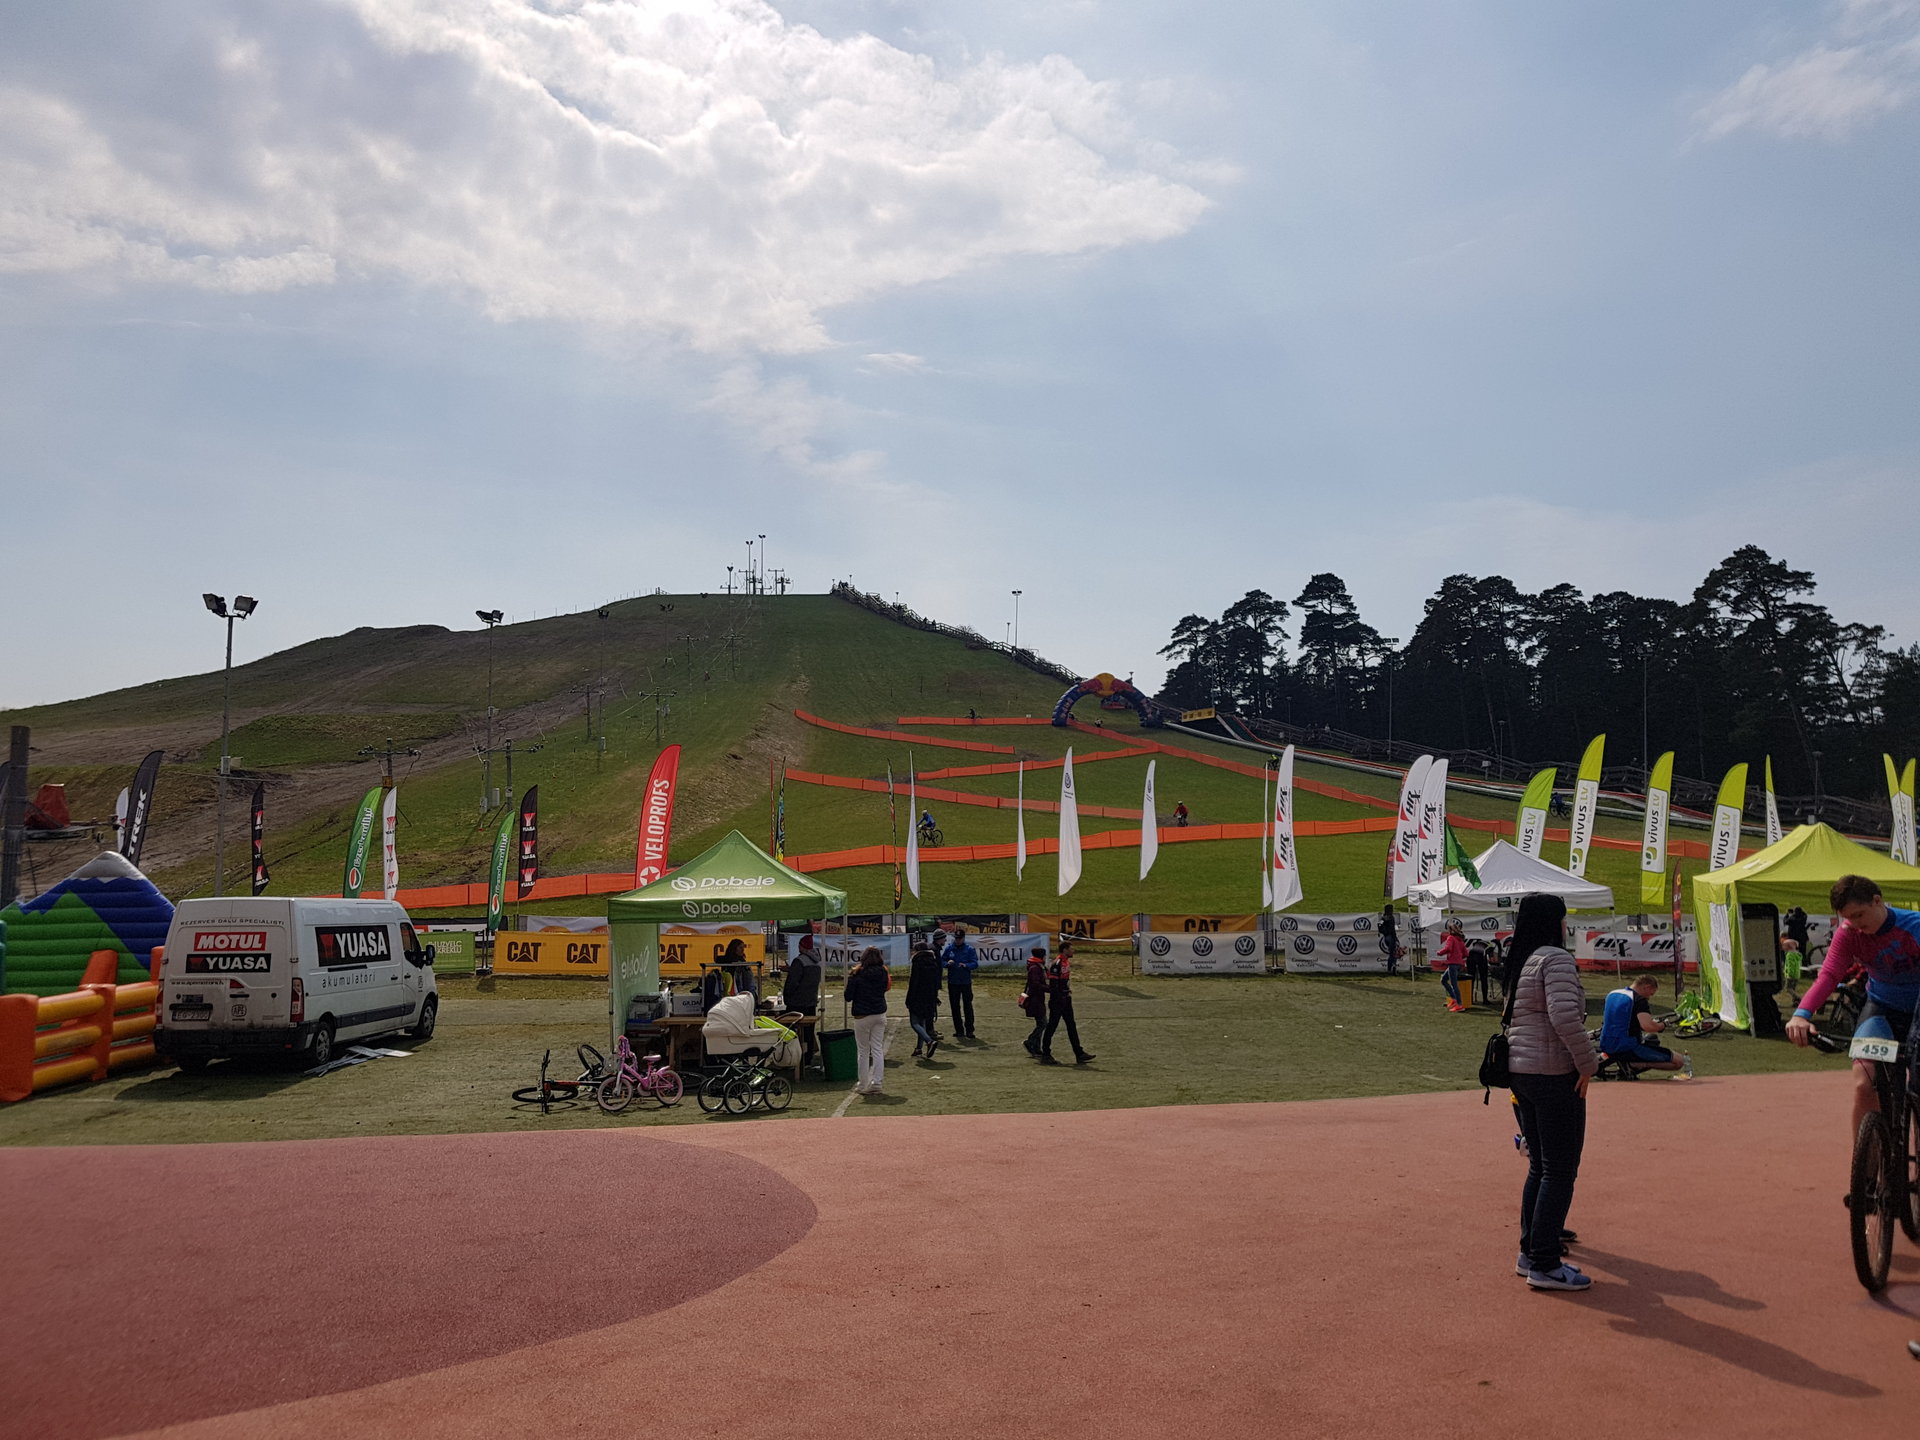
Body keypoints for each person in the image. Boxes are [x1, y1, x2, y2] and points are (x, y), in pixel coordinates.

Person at [1504, 892, 1599, 1290]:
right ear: (1554, 922)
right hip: (1552, 1073)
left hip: (1522, 1072)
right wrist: (1588, 1063)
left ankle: (1532, 1252)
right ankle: (1544, 1262)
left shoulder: (1522, 959)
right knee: (1560, 1170)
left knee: (1541, 1167)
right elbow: (1564, 1017)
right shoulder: (1555, 958)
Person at [1786, 873, 1920, 1145]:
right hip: (1882, 1008)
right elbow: (1829, 975)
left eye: (1859, 915)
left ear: (1877, 901)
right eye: (1848, 918)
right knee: (1863, 1083)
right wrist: (1801, 1014)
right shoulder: (1849, 933)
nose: (1856, 924)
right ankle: (1866, 1169)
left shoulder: (1913, 926)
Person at [1597, 974, 1689, 1075]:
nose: (1649, 997)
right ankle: (1636, 1064)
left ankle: (1626, 1062)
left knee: (1649, 1039)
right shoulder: (1639, 1000)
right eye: (1650, 994)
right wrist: (1663, 1025)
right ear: (1646, 987)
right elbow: (1648, 1026)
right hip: (1627, 1047)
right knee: (1678, 1061)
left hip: (1606, 1043)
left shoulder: (1612, 994)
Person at [845, 946, 892, 1094]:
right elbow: (886, 988)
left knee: (863, 1051)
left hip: (862, 1015)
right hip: (879, 1012)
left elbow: (848, 996)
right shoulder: (883, 972)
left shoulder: (857, 974)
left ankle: (862, 1083)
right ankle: (877, 1082)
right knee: (877, 1049)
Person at [1040, 941, 1095, 1065]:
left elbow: (1064, 981)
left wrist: (1067, 991)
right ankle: (1046, 1054)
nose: (1073, 951)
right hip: (1058, 1001)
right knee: (1052, 1026)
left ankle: (1079, 1053)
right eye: (1071, 949)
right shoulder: (1057, 963)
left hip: (1065, 999)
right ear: (1065, 950)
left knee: (1071, 1025)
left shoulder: (1065, 962)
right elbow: (1053, 984)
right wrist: (1059, 996)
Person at [783, 933, 823, 1066]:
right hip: (810, 1002)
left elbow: (793, 983)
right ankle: (808, 1057)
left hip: (796, 1004)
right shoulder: (816, 962)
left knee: (793, 1032)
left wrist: (787, 996)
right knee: (808, 1032)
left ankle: (793, 1057)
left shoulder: (799, 961)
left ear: (802, 946)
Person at [905, 934, 942, 1059]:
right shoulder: (933, 962)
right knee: (922, 1023)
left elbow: (914, 982)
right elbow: (935, 982)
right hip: (930, 997)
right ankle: (918, 1048)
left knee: (914, 1023)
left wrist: (909, 999)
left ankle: (929, 1041)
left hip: (918, 996)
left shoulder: (917, 962)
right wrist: (935, 997)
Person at [945, 925, 979, 1039]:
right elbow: (942, 960)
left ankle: (969, 1030)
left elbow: (975, 963)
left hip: (965, 982)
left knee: (967, 1006)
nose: (958, 940)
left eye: (959, 938)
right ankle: (959, 1030)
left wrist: (966, 965)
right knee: (955, 1007)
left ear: (963, 938)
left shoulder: (969, 949)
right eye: (956, 938)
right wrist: (947, 963)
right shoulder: (949, 948)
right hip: (953, 982)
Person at [1022, 946, 1050, 1056]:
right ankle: (1030, 1041)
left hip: (1037, 998)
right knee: (1043, 1023)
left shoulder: (1036, 966)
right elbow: (1035, 984)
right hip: (1035, 999)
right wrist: (1049, 989)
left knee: (1041, 1022)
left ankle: (1036, 1047)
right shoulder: (1036, 968)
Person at [1437, 920, 1468, 1012]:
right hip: (1459, 964)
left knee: (1454, 984)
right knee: (1443, 980)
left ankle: (1459, 1004)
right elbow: (1466, 953)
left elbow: (1448, 948)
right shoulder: (1460, 940)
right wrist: (1459, 957)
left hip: (1453, 964)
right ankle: (1454, 999)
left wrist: (1439, 953)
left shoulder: (1450, 938)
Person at [1465, 931, 1492, 1009]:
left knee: (1471, 979)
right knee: (1483, 978)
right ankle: (1485, 999)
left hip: (1471, 956)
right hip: (1481, 956)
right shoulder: (1490, 941)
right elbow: (1491, 956)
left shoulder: (1474, 938)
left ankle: (1470, 999)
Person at [1379, 905, 1401, 976]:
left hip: (1386, 937)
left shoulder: (1383, 917)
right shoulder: (1391, 917)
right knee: (1393, 953)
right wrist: (1395, 938)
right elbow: (1392, 929)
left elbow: (1379, 925)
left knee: (1391, 953)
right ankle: (1393, 967)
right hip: (1391, 937)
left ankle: (1390, 968)